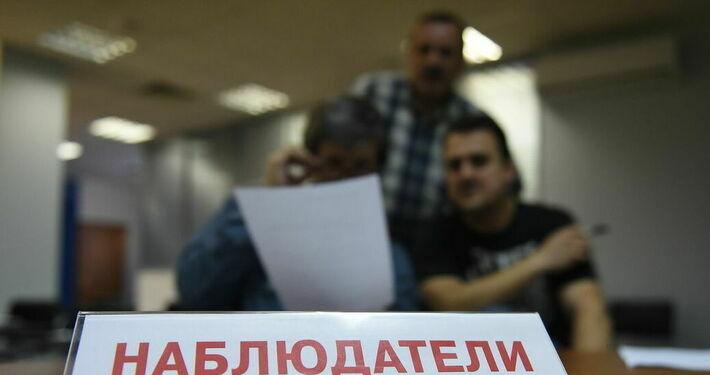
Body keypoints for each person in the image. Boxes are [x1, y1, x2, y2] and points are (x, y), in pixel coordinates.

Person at [176, 96, 417, 312]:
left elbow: (404, 326)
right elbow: (194, 292)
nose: (345, 177)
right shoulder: (256, 217)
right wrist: (269, 202)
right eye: (334, 162)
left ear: (377, 169)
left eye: (360, 165)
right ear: (311, 160)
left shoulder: (390, 253)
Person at [414, 115, 612, 351]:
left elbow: (588, 306)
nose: (466, 174)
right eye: (454, 165)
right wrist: (541, 260)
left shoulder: (552, 223)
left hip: (550, 357)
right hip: (467, 362)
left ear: (509, 169)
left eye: (479, 161)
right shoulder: (436, 232)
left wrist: (588, 373)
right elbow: (448, 304)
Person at [350, 10, 480, 255]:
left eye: (445, 53)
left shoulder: (472, 121)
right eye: (424, 50)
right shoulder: (371, 92)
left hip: (431, 253)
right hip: (358, 237)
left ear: (460, 62)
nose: (433, 62)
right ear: (409, 52)